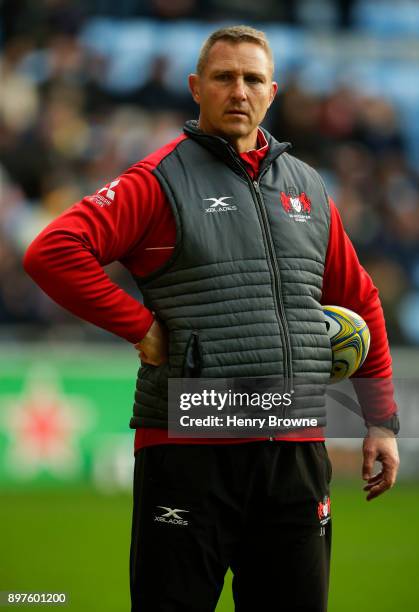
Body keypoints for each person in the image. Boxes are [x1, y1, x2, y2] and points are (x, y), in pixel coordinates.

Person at [24, 25, 400, 612]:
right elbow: (52, 252)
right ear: (196, 87)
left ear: (272, 92)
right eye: (224, 78)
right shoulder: (156, 181)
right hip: (189, 446)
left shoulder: (307, 187)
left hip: (294, 448)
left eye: (252, 79)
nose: (239, 91)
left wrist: (381, 422)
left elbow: (363, 298)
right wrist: (138, 326)